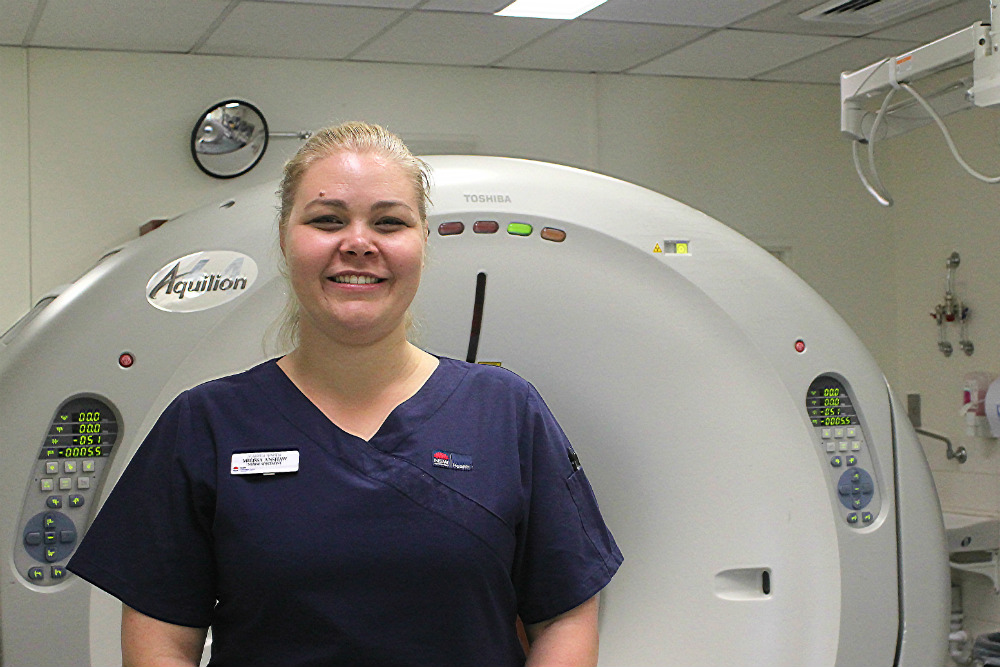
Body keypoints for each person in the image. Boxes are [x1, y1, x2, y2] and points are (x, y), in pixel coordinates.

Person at [68, 121, 623, 667]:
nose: (358, 243)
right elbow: (161, 638)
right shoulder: (206, 423)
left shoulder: (505, 411)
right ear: (286, 237)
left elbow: (564, 616)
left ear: (422, 241)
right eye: (328, 220)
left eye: (389, 222)